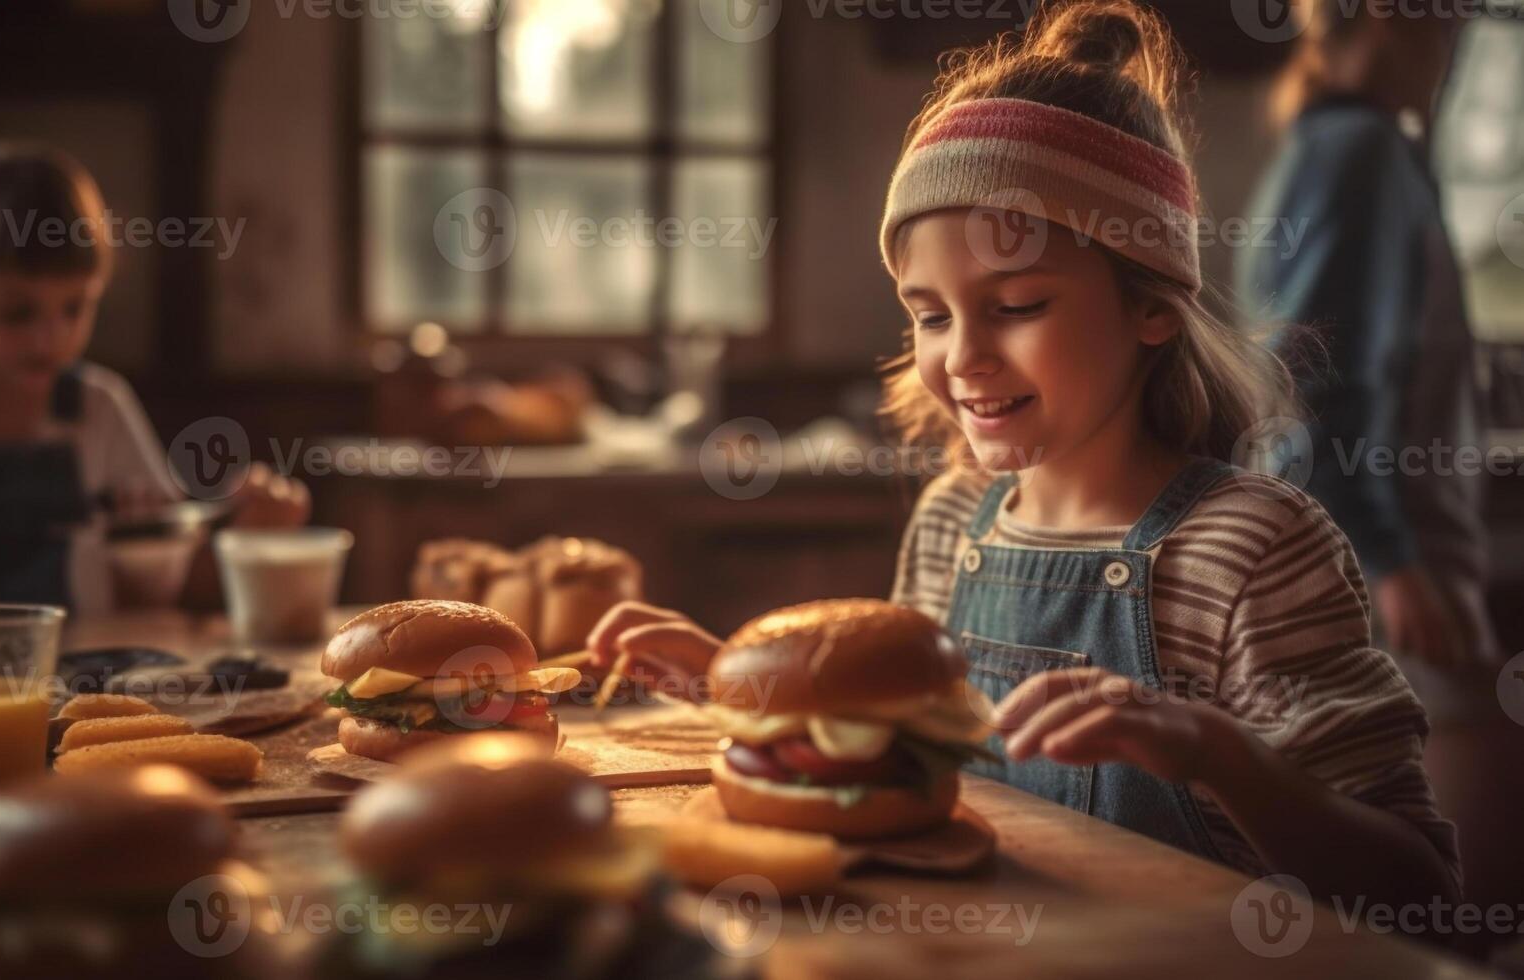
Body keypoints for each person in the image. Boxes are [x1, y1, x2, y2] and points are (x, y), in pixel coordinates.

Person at [591, 0, 1460, 916]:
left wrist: (1218, 755)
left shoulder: (1251, 549)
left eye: (1015, 307)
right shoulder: (946, 523)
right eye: (929, 315)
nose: (960, 356)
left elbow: (1419, 892)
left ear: (1150, 306)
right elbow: (898, 758)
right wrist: (753, 688)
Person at [0, 142, 308, 614]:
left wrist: (248, 533)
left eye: (75, 307)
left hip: (79, 683)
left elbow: (173, 590)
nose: (50, 338)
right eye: (15, 313)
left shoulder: (100, 404)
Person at [1236, 2, 1494, 668]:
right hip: (1387, 579)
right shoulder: (1361, 149)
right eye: (1444, 27)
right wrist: (1391, 563)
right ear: (1386, 19)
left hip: (1374, 563)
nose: (1448, 55)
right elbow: (1311, 367)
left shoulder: (1328, 144)